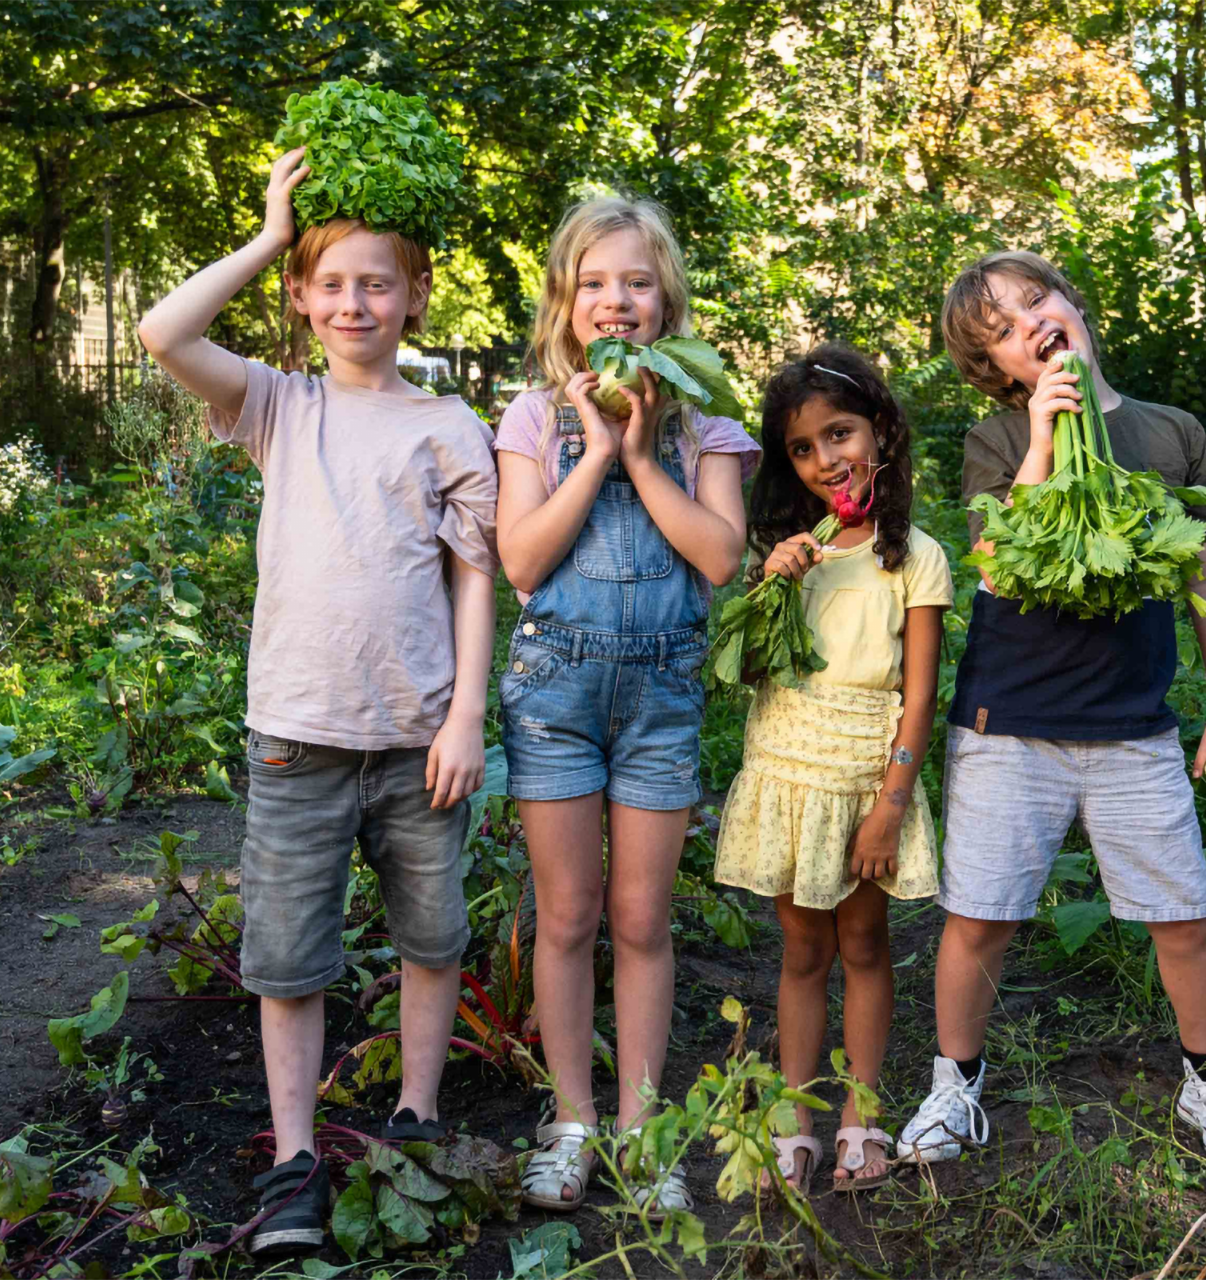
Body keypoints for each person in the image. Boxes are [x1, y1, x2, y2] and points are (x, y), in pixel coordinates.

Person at [137, 148, 498, 1256]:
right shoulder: (275, 406)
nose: (355, 302)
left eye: (378, 282)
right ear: (302, 295)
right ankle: (295, 1158)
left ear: (416, 294)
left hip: (415, 737)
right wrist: (268, 235)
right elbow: (163, 333)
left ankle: (416, 1119)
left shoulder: (448, 425)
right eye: (332, 282)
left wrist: (466, 713)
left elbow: (473, 575)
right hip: (297, 733)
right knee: (288, 957)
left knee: (431, 939)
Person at [898, 250, 1206, 1171]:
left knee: (1183, 913)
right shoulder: (996, 439)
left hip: (1134, 724)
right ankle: (955, 1085)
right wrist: (1040, 441)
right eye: (1001, 333)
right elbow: (995, 562)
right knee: (980, 913)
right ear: (1000, 370)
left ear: (1070, 305)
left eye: (1035, 301)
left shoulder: (1169, 431)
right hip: (1009, 722)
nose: (1028, 324)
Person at [493, 197, 758, 1217]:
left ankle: (646, 1129)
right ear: (567, 306)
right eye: (595, 283)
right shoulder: (532, 417)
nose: (617, 301)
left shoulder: (706, 423)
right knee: (566, 915)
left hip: (660, 696)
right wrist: (597, 448)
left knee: (642, 916)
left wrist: (645, 450)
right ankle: (572, 1121)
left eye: (636, 283)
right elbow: (521, 556)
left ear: (666, 301)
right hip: (556, 690)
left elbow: (719, 555)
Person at [713, 346, 951, 1193]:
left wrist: (893, 802)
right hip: (788, 765)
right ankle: (795, 1118)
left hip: (863, 777)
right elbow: (740, 669)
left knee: (864, 943)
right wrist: (769, 582)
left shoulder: (913, 556)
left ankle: (862, 1115)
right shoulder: (786, 553)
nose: (826, 462)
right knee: (802, 948)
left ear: (881, 428)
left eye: (839, 434)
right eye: (803, 450)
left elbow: (919, 697)